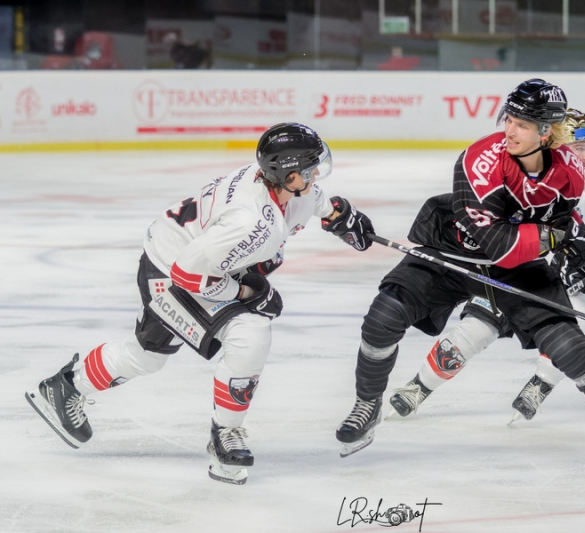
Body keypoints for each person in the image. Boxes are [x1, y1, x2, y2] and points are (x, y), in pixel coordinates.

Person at [25, 122, 374, 485]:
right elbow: (188, 275)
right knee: (250, 331)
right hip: (171, 271)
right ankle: (225, 433)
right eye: (308, 168)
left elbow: (314, 199)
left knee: (148, 355)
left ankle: (65, 387)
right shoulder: (251, 222)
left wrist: (339, 215)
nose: (316, 173)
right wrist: (248, 294)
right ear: (286, 174)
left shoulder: (284, 188)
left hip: (183, 253)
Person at [334, 79, 585, 465]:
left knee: (570, 346)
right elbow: (501, 245)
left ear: (546, 132)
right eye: (509, 119)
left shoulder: (570, 170)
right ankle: (367, 405)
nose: (509, 130)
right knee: (384, 316)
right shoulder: (480, 161)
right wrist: (563, 237)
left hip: (516, 267)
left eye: (522, 124)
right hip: (457, 251)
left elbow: (562, 220)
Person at [387, 108, 585, 424]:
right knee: (476, 327)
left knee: (573, 334)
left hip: (579, 267)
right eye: (578, 148)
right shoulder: (524, 170)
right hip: (525, 264)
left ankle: (539, 386)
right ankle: (420, 386)